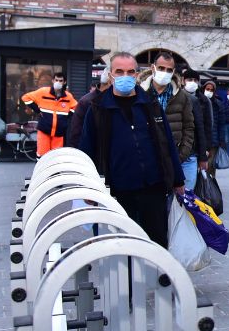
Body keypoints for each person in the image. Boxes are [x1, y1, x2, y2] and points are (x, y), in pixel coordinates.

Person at [79, 53, 185, 246]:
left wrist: (178, 180)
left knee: (156, 242)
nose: (125, 76)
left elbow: (167, 143)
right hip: (117, 191)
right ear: (110, 75)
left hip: (153, 187)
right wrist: (88, 188)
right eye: (119, 71)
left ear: (136, 75)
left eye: (130, 72)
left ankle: (156, 266)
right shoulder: (97, 108)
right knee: (121, 244)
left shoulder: (150, 104)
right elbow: (87, 150)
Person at [139, 52, 195, 192]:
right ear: (153, 68)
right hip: (144, 160)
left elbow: (189, 127)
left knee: (169, 200)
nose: (165, 72)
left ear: (173, 71)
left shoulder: (182, 96)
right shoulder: (139, 92)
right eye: (161, 68)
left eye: (169, 70)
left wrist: (180, 155)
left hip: (171, 159)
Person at [21, 72, 76, 156]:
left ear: (64, 82)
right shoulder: (43, 92)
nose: (58, 82)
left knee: (56, 156)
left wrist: (67, 117)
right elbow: (25, 97)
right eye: (56, 80)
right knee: (42, 155)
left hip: (59, 131)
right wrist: (37, 110)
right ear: (53, 81)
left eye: (60, 81)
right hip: (44, 130)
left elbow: (75, 107)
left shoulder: (68, 97)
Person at [181, 68, 212, 178]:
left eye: (195, 80)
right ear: (183, 81)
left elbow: (208, 126)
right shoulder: (175, 97)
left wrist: (206, 149)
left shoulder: (204, 100)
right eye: (189, 79)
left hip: (195, 149)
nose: (192, 82)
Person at [67, 68, 109, 149]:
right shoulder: (86, 102)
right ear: (110, 81)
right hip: (90, 151)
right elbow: (76, 132)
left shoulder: (115, 101)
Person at [202, 80, 226, 170]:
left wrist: (221, 141)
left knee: (210, 167)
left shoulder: (218, 104)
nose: (209, 91)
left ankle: (210, 180)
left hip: (213, 140)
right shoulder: (198, 101)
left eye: (211, 90)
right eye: (207, 89)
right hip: (200, 140)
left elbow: (221, 124)